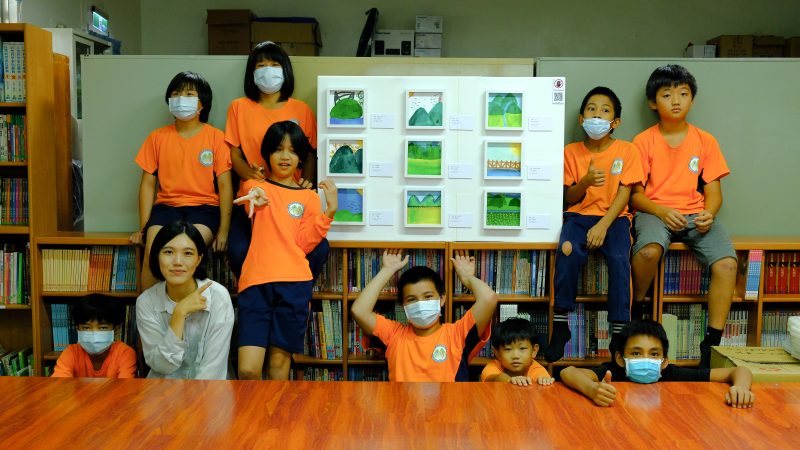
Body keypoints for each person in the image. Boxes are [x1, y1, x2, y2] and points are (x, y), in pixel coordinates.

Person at [630, 65, 737, 368]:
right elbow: (635, 196)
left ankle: (711, 344)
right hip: (654, 211)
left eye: (683, 93)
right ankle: (637, 308)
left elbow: (714, 192)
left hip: (695, 215)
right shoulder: (643, 141)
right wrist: (662, 210)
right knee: (649, 250)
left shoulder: (705, 141)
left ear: (692, 99)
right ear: (654, 102)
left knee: (728, 264)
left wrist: (708, 213)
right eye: (667, 94)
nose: (676, 100)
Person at [544, 86, 644, 362]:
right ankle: (561, 325)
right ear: (580, 118)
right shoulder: (570, 152)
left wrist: (603, 226)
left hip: (615, 218)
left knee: (619, 258)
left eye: (605, 110)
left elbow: (626, 192)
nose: (596, 115)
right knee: (567, 250)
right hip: (578, 216)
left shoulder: (628, 150)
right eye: (591, 109)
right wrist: (585, 182)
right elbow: (567, 197)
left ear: (616, 122)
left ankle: (619, 333)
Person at [233, 121, 338, 381]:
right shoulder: (254, 187)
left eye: (292, 151)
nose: (285, 156)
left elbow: (304, 243)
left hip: (294, 285)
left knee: (279, 368)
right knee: (248, 369)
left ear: (300, 156)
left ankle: (272, 422)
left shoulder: (309, 197)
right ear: (268, 154)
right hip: (256, 283)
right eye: (278, 149)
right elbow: (252, 194)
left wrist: (329, 213)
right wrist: (257, 197)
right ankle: (251, 421)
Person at [225, 41, 328, 280]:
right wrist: (249, 175)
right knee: (238, 252)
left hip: (293, 199)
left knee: (318, 249)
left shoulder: (301, 109)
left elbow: (310, 153)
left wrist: (306, 182)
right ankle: (257, 290)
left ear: (286, 70)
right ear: (252, 73)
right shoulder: (238, 107)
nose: (267, 70)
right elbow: (234, 153)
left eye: (274, 64)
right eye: (261, 65)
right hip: (254, 198)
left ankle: (294, 288)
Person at [131, 71, 233, 290]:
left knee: (187, 249)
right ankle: (150, 318)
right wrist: (143, 228)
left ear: (202, 103)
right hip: (166, 207)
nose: (181, 99)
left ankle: (184, 313)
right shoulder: (157, 137)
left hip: (204, 209)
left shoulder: (216, 137)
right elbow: (147, 184)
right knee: (154, 248)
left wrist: (223, 230)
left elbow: (225, 186)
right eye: (176, 94)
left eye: (189, 94)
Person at [350, 249, 497, 382]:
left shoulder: (457, 334)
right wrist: (386, 270)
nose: (420, 304)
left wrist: (467, 277)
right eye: (411, 299)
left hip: (449, 411)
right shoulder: (393, 335)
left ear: (442, 299)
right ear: (403, 306)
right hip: (403, 410)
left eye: (427, 296)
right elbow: (359, 310)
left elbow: (488, 298)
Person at [560, 320, 755, 408]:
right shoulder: (614, 372)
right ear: (620, 358)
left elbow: (739, 371)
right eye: (636, 353)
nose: (646, 359)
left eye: (654, 354)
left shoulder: (673, 374)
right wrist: (592, 389)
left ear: (664, 362)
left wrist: (741, 388)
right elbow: (568, 372)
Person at [136, 221, 234, 379]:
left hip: (209, 394)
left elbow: (212, 370)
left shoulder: (218, 297)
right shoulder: (146, 302)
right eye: (168, 252)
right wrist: (179, 314)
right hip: (162, 394)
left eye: (188, 253)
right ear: (157, 256)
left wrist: (192, 404)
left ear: (199, 259)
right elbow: (161, 366)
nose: (177, 261)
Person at [52, 294, 137, 378]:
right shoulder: (71, 353)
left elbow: (125, 389)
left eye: (103, 328)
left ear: (116, 330)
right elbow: (60, 385)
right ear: (77, 329)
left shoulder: (125, 354)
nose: (94, 335)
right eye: (86, 327)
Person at [481, 317, 554, 386]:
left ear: (534, 350)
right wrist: (509, 380)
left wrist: (544, 381)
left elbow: (542, 380)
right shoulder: (493, 366)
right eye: (508, 349)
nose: (515, 356)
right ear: (497, 352)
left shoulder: (537, 369)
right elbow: (491, 379)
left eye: (522, 348)